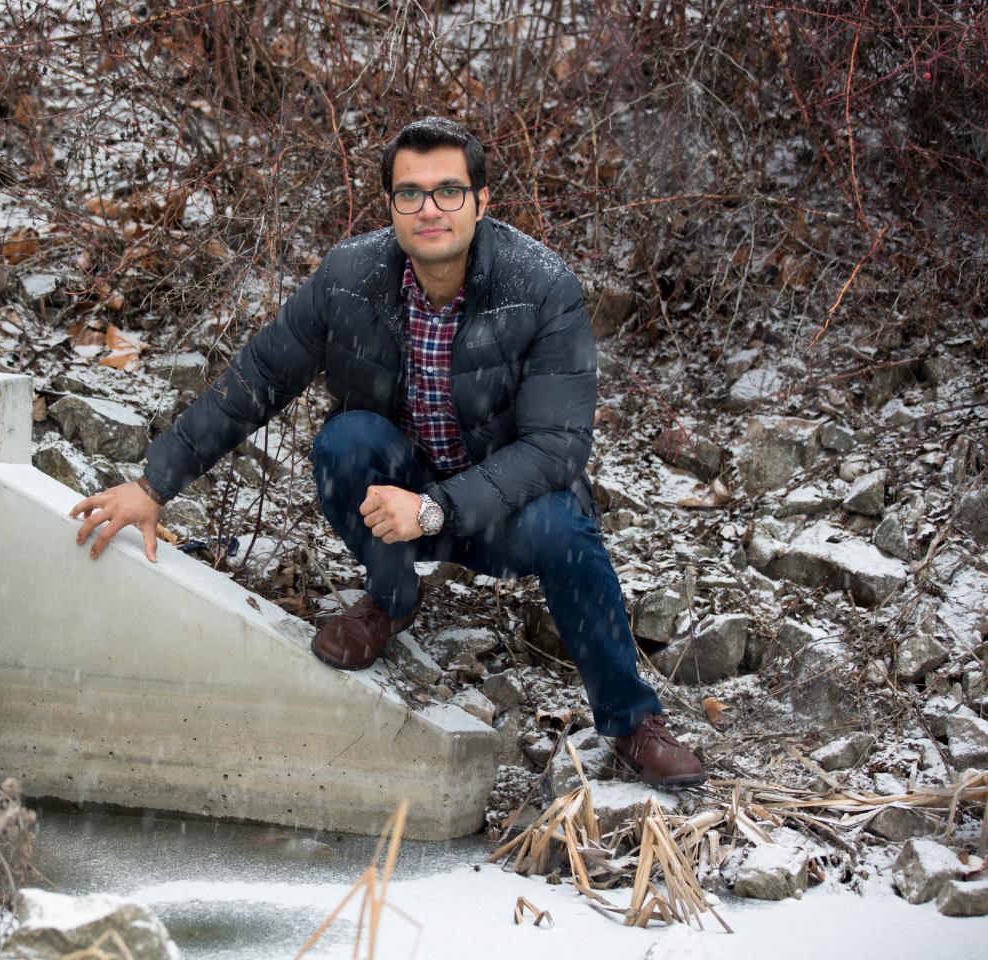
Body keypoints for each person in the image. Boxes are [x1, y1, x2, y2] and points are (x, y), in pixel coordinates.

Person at [69, 117, 704, 788]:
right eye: (411, 193)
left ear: (482, 202)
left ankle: (632, 720)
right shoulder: (350, 277)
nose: (429, 209)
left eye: (449, 191)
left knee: (565, 526)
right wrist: (154, 485)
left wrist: (435, 509)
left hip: (505, 513)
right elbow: (258, 378)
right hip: (395, 500)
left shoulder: (541, 287)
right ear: (391, 207)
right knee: (346, 442)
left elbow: (556, 447)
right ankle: (391, 600)